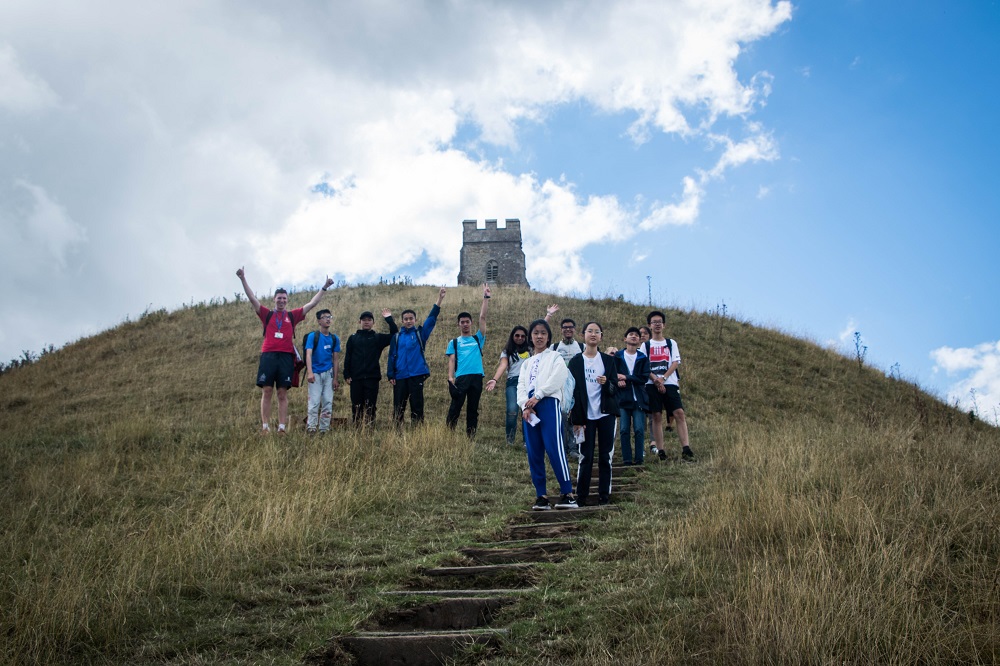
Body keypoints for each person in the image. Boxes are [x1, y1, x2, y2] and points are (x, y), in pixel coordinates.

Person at [236, 267, 333, 434]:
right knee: (267, 391)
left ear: (287, 301)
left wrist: (324, 287)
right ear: (274, 299)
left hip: (286, 358)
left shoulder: (292, 316)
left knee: (282, 393)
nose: (281, 301)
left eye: (284, 298)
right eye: (279, 298)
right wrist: (243, 278)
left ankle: (282, 428)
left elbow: (312, 304)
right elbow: (252, 298)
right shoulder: (266, 314)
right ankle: (265, 427)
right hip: (268, 356)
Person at [518, 319, 577, 510]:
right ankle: (541, 496)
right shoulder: (526, 363)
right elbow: (521, 386)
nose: (539, 336)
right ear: (531, 337)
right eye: (535, 333)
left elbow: (559, 377)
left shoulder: (555, 357)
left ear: (549, 336)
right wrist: (524, 407)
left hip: (548, 403)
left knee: (555, 448)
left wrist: (538, 396)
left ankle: (567, 493)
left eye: (543, 333)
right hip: (530, 409)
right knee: (534, 451)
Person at [486, 305, 559, 445]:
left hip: (529, 382)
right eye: (516, 335)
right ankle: (510, 440)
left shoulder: (531, 349)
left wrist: (548, 315)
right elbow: (503, 365)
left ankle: (528, 441)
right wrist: (495, 379)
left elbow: (539, 331)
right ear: (512, 337)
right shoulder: (507, 351)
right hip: (513, 383)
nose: (519, 338)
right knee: (512, 410)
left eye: (522, 336)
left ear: (526, 337)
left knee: (529, 410)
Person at [569, 322, 620, 506]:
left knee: (606, 456)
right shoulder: (575, 361)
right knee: (586, 456)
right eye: (589, 331)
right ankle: (581, 496)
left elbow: (615, 389)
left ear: (601, 336)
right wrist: (576, 419)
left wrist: (607, 383)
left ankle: (604, 496)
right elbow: (572, 391)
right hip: (585, 417)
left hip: (606, 414)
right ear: (583, 335)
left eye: (596, 331)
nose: (593, 334)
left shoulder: (608, 360)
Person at [387, 288, 446, 425]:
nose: (408, 321)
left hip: (416, 375)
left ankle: (417, 433)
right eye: (406, 319)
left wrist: (440, 299)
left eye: (411, 319)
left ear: (415, 320)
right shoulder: (396, 337)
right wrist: (391, 375)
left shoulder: (420, 334)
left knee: (417, 407)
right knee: (398, 408)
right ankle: (397, 433)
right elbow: (391, 357)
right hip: (400, 376)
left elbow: (431, 319)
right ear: (402, 321)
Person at [645, 310, 695, 461]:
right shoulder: (645, 345)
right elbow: (644, 366)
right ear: (650, 325)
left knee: (679, 413)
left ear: (664, 325)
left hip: (670, 382)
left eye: (660, 322)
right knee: (657, 415)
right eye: (654, 322)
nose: (657, 324)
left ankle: (686, 448)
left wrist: (664, 378)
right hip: (651, 383)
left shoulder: (671, 343)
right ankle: (661, 451)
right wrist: (656, 380)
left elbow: (675, 362)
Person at [445, 284, 491, 436]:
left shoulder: (478, 339)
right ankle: (449, 434)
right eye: (462, 322)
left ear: (471, 323)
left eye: (467, 322)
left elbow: (483, 317)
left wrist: (486, 297)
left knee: (473, 409)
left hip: (477, 377)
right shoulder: (454, 342)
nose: (465, 324)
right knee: (455, 407)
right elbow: (452, 360)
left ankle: (470, 436)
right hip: (461, 378)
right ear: (458, 324)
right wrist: (450, 377)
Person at [343, 309, 397, 425]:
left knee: (370, 405)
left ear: (373, 322)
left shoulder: (378, 338)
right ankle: (357, 429)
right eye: (364, 320)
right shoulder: (353, 338)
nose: (366, 322)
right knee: (356, 405)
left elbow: (394, 335)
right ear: (359, 322)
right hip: (356, 378)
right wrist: (346, 374)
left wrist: (389, 319)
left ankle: (369, 428)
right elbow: (348, 357)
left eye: (369, 320)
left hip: (372, 377)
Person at [551, 318, 586, 461]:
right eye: (565, 327)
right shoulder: (554, 347)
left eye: (571, 327)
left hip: (578, 386)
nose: (568, 330)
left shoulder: (582, 346)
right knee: (563, 417)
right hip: (561, 387)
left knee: (577, 418)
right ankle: (563, 447)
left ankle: (576, 448)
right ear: (561, 330)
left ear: (575, 329)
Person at [615, 327, 649, 465]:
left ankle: (639, 458)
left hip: (639, 398)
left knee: (639, 429)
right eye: (631, 334)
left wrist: (626, 377)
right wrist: (618, 380)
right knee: (624, 430)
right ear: (625, 339)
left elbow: (644, 378)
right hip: (623, 398)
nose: (634, 336)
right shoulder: (618, 356)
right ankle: (627, 459)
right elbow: (613, 374)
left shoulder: (642, 357)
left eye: (636, 335)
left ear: (640, 340)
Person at [304, 309, 340, 434]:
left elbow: (335, 359)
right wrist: (310, 372)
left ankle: (324, 428)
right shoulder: (313, 336)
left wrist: (335, 378)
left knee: (328, 401)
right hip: (315, 373)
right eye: (324, 317)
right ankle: (311, 428)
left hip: (328, 373)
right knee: (314, 402)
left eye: (329, 316)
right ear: (319, 321)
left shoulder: (334, 338)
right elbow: (308, 354)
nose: (328, 319)